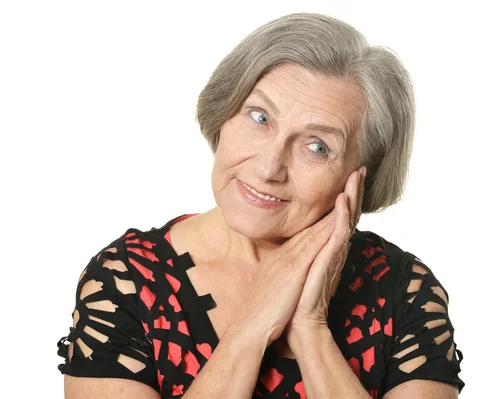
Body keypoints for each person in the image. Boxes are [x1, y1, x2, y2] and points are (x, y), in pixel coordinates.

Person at [56, 12, 464, 399]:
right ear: (224, 113)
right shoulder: (127, 280)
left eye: (317, 146)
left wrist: (310, 327)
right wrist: (252, 324)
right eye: (259, 118)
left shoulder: (404, 292)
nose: (270, 167)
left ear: (361, 176)